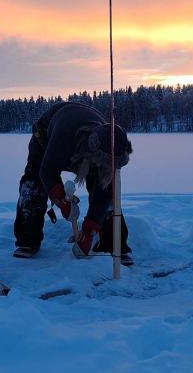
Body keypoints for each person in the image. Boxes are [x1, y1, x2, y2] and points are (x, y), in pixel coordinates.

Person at [14, 101, 133, 262]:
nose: (106, 168)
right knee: (33, 184)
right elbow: (47, 171)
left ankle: (114, 244)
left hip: (85, 126)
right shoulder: (65, 136)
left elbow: (104, 194)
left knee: (107, 192)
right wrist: (62, 201)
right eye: (102, 164)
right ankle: (27, 239)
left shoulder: (113, 146)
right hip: (47, 136)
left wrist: (90, 229)